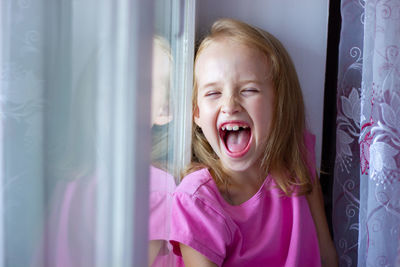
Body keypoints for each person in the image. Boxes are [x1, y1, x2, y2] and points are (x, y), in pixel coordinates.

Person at [169, 18, 338, 266]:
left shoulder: (298, 157)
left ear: (279, 104)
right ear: (196, 113)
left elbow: (326, 255)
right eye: (213, 93)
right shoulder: (198, 200)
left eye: (248, 90)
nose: (229, 105)